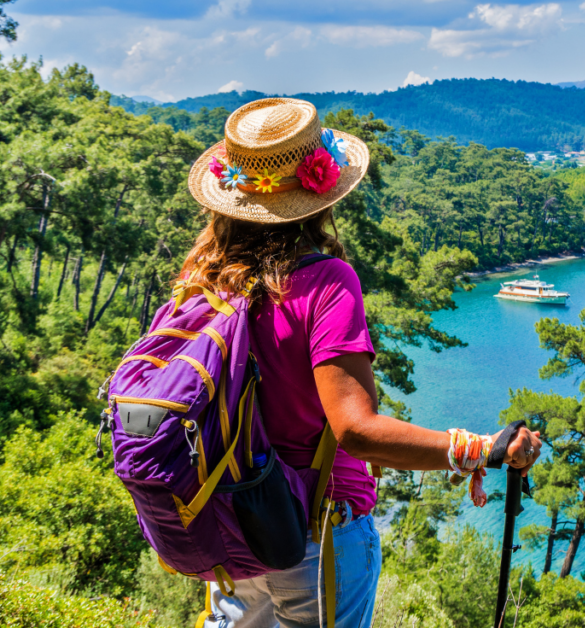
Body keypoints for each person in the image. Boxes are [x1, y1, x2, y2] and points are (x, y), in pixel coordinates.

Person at [182, 98, 542, 628]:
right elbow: (355, 429)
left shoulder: (204, 283)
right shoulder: (325, 281)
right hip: (316, 531)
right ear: (321, 193)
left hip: (232, 527)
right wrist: (479, 450)